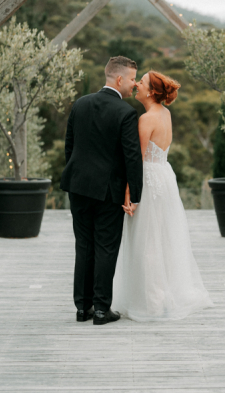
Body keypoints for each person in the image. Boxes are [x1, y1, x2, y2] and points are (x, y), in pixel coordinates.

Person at [112, 71, 213, 321]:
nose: (136, 85)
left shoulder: (146, 119)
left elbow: (136, 161)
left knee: (147, 242)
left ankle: (151, 301)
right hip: (164, 177)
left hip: (148, 180)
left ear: (151, 92)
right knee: (162, 238)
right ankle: (161, 294)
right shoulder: (166, 114)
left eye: (141, 82)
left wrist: (129, 194)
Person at [60, 56, 143, 325]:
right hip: (108, 191)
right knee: (106, 247)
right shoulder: (126, 113)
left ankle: (82, 308)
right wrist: (136, 196)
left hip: (78, 186)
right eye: (132, 79)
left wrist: (77, 176)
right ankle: (100, 310)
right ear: (119, 79)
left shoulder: (80, 104)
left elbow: (69, 146)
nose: (134, 85)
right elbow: (132, 158)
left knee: (83, 246)